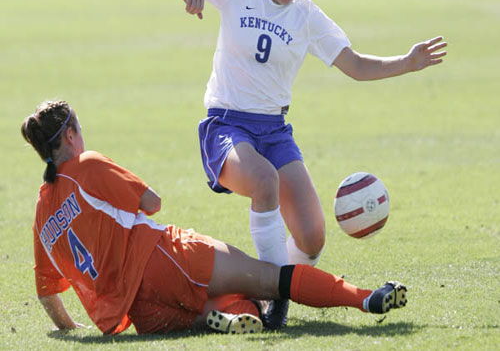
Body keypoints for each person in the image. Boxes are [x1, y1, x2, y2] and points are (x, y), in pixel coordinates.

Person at [156, 0, 446, 328]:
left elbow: (357, 65)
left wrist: (408, 63)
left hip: (275, 131)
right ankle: (277, 299)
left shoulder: (306, 16)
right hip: (227, 124)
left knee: (312, 237)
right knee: (264, 183)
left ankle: (261, 288)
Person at [22, 100, 408, 335]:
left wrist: (71, 329)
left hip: (140, 311)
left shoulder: (42, 211)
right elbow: (152, 203)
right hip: (165, 258)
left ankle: (221, 316)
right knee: (271, 281)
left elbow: (47, 293)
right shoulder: (86, 164)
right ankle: (366, 299)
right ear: (71, 134)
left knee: (238, 307)